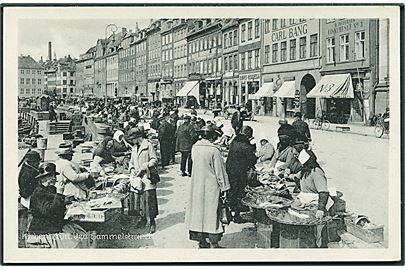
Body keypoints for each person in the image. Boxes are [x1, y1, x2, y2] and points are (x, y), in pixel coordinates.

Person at [186, 125, 230, 248]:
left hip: (197, 184)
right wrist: (225, 187)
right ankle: (214, 242)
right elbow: (220, 171)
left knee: (198, 212)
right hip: (211, 186)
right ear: (212, 137)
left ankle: (201, 241)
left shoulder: (195, 147)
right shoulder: (214, 150)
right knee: (212, 213)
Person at [25, 162, 89, 248]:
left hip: (54, 225)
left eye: (54, 176)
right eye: (51, 176)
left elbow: (55, 204)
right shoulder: (38, 193)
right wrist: (59, 194)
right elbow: (51, 211)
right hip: (44, 231)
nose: (55, 179)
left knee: (84, 236)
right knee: (76, 244)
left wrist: (67, 200)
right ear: (43, 179)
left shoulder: (50, 189)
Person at [127, 127, 159, 234]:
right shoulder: (134, 148)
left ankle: (152, 222)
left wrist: (146, 165)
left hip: (147, 177)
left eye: (132, 139)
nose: (131, 141)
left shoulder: (148, 145)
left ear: (137, 137)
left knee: (149, 201)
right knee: (139, 201)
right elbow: (131, 162)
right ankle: (143, 219)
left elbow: (154, 159)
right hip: (137, 178)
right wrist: (131, 169)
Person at [226, 125, 257, 223]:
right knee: (239, 193)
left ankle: (228, 213)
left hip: (230, 170)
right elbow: (251, 159)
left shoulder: (234, 142)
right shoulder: (245, 145)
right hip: (239, 172)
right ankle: (237, 216)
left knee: (231, 191)